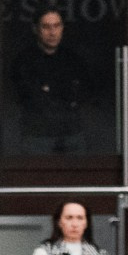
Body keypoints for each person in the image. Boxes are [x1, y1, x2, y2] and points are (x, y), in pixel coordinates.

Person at [10, 9, 88, 154]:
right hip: (37, 136)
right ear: (35, 29)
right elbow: (29, 97)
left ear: (62, 28)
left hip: (72, 134)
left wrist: (49, 89)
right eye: (46, 27)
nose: (52, 32)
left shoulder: (72, 59)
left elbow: (82, 92)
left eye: (56, 26)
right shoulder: (24, 61)